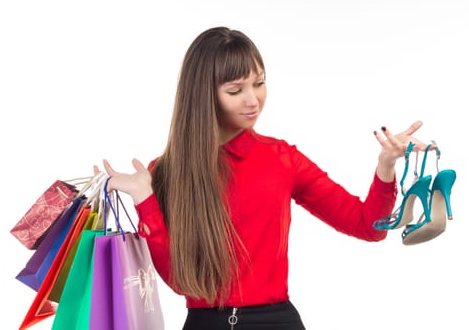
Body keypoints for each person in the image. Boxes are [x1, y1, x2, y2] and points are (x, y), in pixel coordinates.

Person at [96, 26, 432, 330]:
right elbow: (181, 282)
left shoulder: (282, 159)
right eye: (235, 90)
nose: (253, 100)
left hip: (277, 322)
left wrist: (386, 165)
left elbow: (367, 225)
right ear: (204, 95)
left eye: (259, 83)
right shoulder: (167, 172)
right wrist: (145, 199)